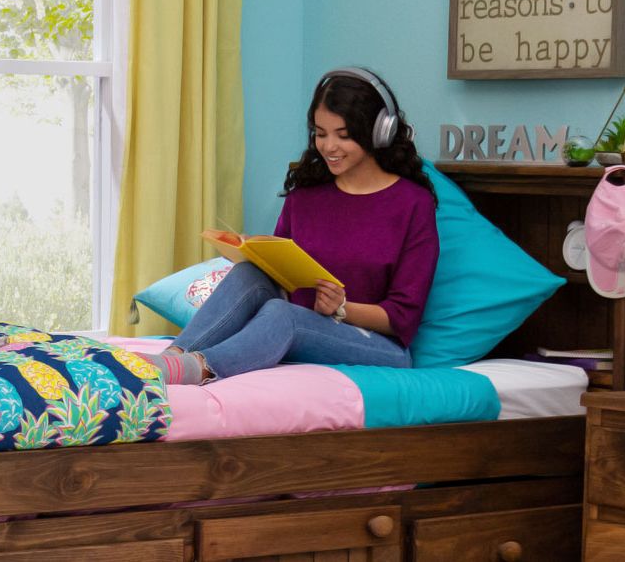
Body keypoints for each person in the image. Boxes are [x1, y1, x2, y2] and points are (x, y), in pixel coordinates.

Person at [142, 67, 439, 385]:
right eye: (320, 133)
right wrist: (252, 255)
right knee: (250, 275)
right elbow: (280, 277)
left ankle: (197, 369)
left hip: (377, 345)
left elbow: (402, 318)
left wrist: (341, 308)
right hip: (300, 325)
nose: (328, 147)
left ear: (378, 132)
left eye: (343, 135)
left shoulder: (412, 204)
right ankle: (171, 360)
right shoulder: (306, 196)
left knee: (284, 316)